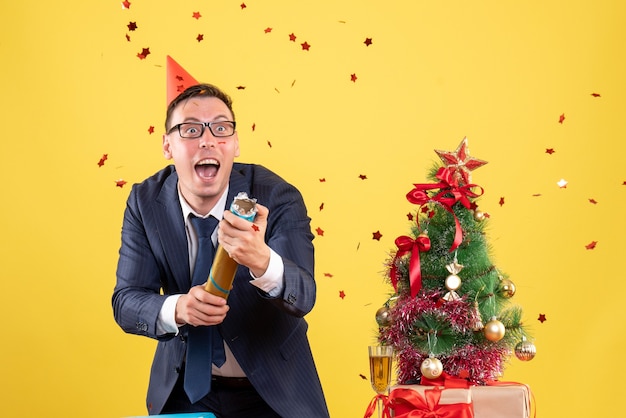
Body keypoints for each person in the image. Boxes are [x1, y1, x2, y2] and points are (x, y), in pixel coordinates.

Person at [112, 83, 330, 417]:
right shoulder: (145, 202)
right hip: (185, 391)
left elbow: (304, 295)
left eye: (221, 127)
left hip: (273, 394)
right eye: (190, 129)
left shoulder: (277, 196)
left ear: (236, 143)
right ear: (167, 145)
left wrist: (261, 261)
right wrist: (179, 308)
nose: (208, 139)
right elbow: (126, 302)